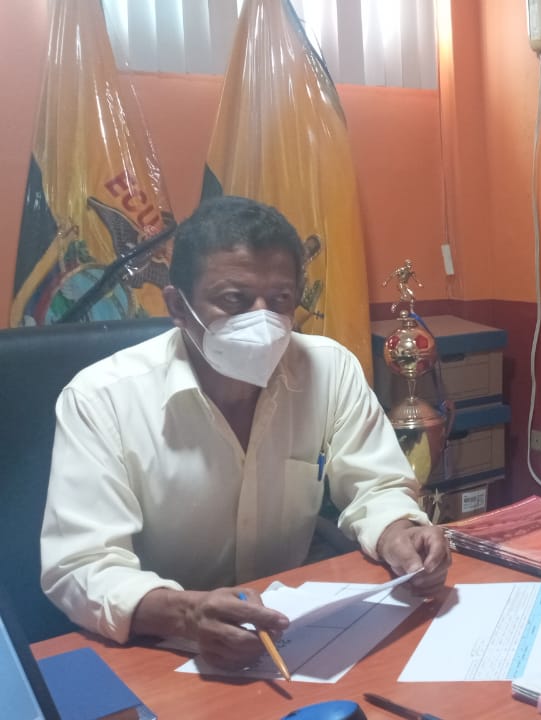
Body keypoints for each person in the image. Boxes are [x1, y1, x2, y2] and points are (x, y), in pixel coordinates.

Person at [40, 196, 450, 670]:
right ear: (177, 306)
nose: (262, 320)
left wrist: (399, 531)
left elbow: (375, 485)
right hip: (160, 647)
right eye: (234, 300)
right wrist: (186, 614)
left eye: (279, 300)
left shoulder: (329, 368)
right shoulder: (101, 398)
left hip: (297, 634)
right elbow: (82, 565)